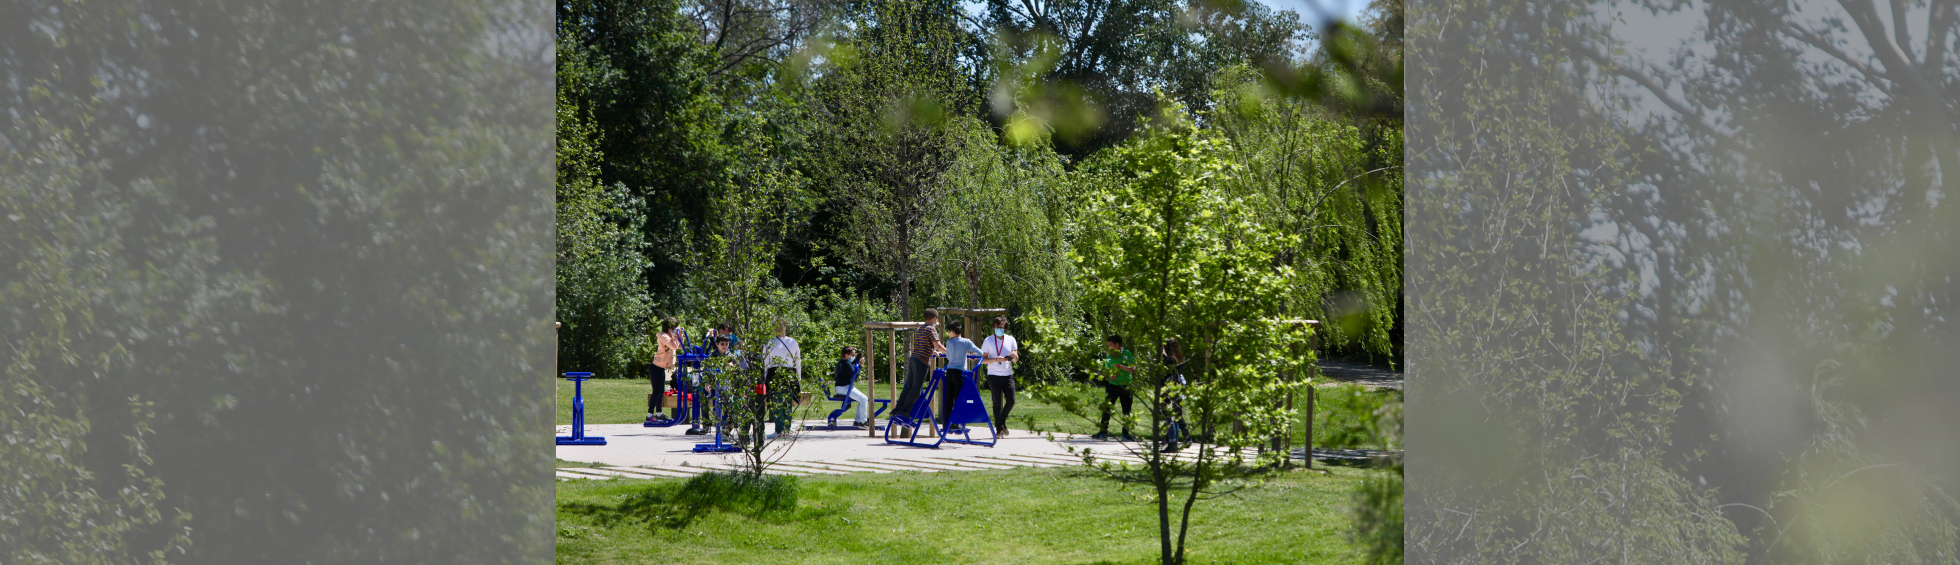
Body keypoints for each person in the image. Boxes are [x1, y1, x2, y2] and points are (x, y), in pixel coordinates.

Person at [893, 309, 945, 434]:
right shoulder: (931, 329)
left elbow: (923, 345)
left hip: (913, 359)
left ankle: (897, 410)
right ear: (934, 318)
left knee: (909, 386)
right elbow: (937, 344)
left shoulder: (920, 328)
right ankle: (906, 411)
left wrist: (934, 352)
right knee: (916, 388)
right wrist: (949, 352)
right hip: (922, 361)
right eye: (936, 320)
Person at [761, 320, 802, 438]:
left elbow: (765, 363)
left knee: (777, 402)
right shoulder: (792, 342)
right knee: (787, 402)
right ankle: (786, 429)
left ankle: (779, 430)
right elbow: (797, 361)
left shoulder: (769, 343)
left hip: (774, 374)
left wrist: (764, 379)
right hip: (789, 374)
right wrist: (798, 378)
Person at [979, 316, 1019, 436]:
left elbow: (1016, 359)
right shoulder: (988, 340)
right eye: (997, 327)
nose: (999, 329)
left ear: (1005, 327)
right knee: (996, 403)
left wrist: (1014, 355)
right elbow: (983, 360)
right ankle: (998, 429)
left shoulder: (1011, 339)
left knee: (1011, 400)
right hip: (994, 375)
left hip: (1008, 375)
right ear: (994, 327)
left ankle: (1001, 421)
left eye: (1001, 327)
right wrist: (996, 359)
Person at [938, 321, 979, 430]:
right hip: (959, 373)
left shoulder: (949, 342)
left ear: (952, 331)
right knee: (959, 399)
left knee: (948, 400)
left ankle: (946, 424)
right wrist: (980, 355)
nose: (948, 334)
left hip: (950, 372)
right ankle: (957, 423)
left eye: (948, 332)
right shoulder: (966, 342)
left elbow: (949, 357)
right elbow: (978, 351)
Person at [1096, 334, 1137, 441]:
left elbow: (1133, 369)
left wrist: (1121, 367)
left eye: (1110, 345)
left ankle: (1125, 433)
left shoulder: (1127, 354)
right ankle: (1103, 432)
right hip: (1112, 386)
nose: (1108, 347)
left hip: (1126, 386)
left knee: (1126, 410)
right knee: (1107, 409)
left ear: (1117, 345)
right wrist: (1110, 375)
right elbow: (1106, 371)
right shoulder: (1109, 355)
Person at [1158, 337, 1189, 452]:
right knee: (1175, 416)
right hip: (1175, 386)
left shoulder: (1169, 359)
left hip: (1167, 388)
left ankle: (1172, 442)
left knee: (1168, 416)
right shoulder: (1179, 358)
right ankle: (1174, 441)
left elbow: (1164, 371)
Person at [648, 318, 681, 424]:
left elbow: (679, 346)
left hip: (661, 368)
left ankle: (659, 413)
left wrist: (680, 335)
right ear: (670, 328)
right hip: (655, 367)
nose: (675, 329)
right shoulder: (664, 337)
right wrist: (675, 335)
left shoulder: (670, 337)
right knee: (656, 391)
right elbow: (673, 345)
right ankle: (649, 415)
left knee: (661, 392)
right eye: (674, 327)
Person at [833, 346, 871, 428]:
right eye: (852, 355)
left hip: (842, 387)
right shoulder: (846, 363)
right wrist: (860, 365)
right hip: (843, 387)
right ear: (846, 355)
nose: (853, 357)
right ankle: (862, 422)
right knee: (864, 399)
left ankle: (858, 421)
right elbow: (855, 375)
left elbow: (851, 368)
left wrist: (856, 360)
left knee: (861, 399)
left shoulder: (842, 362)